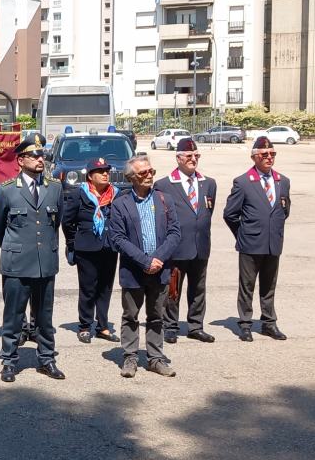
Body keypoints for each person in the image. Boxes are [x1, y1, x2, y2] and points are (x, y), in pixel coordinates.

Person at [0, 133, 65, 383]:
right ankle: (9, 361)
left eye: (41, 154)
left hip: (45, 263)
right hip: (17, 264)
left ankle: (46, 359)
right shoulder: (7, 191)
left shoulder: (54, 188)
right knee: (13, 315)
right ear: (20, 160)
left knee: (45, 316)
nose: (39, 159)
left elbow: (55, 224)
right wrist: (17, 247)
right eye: (34, 155)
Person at [109, 155, 181, 378]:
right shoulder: (121, 204)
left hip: (160, 270)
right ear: (132, 177)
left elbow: (175, 232)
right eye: (143, 173)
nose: (149, 175)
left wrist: (157, 259)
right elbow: (118, 238)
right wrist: (145, 261)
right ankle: (130, 357)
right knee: (131, 315)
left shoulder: (165, 200)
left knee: (156, 315)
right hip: (133, 271)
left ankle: (155, 358)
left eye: (151, 171)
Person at [223, 136, 291, 342]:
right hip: (250, 243)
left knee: (269, 285)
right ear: (254, 157)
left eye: (272, 154)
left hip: (273, 242)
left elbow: (284, 210)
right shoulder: (243, 182)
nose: (269, 157)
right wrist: (243, 234)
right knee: (247, 285)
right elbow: (230, 214)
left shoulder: (282, 181)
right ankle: (245, 324)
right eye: (264, 154)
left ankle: (269, 323)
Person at [153, 138, 217, 344]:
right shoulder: (164, 184)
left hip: (200, 245)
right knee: (173, 289)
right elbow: (160, 218)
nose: (193, 160)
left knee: (198, 288)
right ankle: (170, 326)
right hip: (176, 248)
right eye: (189, 156)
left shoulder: (208, 183)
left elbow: (207, 211)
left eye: (196, 156)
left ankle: (195, 326)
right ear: (178, 158)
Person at [62, 157, 120, 344]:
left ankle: (102, 326)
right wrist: (72, 242)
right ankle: (85, 326)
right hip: (86, 248)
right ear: (90, 175)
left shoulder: (116, 194)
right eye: (100, 171)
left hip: (109, 247)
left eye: (107, 171)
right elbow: (67, 221)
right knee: (88, 288)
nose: (105, 174)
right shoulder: (79, 194)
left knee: (105, 288)